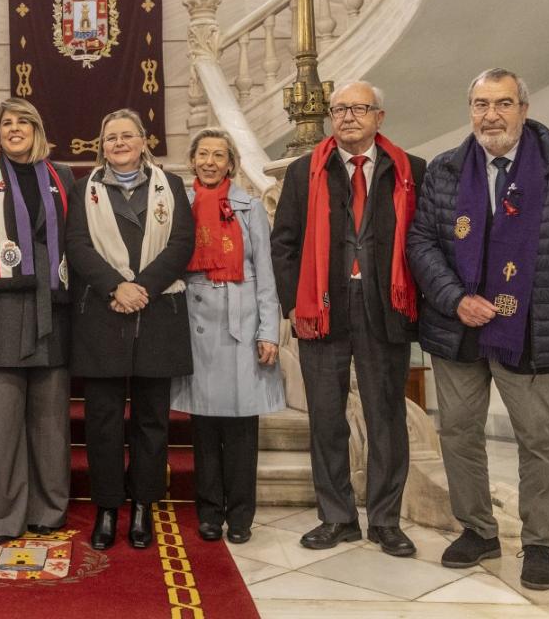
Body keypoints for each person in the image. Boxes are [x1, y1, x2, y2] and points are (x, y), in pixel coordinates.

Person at [407, 68, 549, 590]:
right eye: (479, 104)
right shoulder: (446, 170)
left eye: (502, 103)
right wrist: (455, 300)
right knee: (458, 433)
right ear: (469, 109)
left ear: (523, 107)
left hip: (531, 330)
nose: (490, 115)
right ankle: (478, 530)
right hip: (459, 329)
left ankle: (538, 542)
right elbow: (422, 243)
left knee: (539, 439)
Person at [270, 81, 425, 557]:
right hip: (323, 310)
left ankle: (385, 520)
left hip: (385, 309)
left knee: (386, 417)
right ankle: (337, 517)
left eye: (359, 108)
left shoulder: (410, 171)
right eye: (339, 109)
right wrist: (294, 305)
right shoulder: (303, 172)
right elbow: (285, 244)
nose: (348, 117)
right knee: (326, 419)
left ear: (380, 116)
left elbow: (423, 242)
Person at [66, 108, 193, 550]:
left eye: (127, 136)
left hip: (157, 315)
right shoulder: (85, 190)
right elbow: (78, 245)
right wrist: (116, 287)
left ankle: (142, 507)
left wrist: (142, 288)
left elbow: (181, 243)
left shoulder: (171, 187)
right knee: (102, 422)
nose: (118, 143)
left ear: (144, 141)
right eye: (110, 138)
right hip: (103, 316)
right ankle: (106, 508)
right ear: (101, 146)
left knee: (151, 421)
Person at [0, 98, 75, 542]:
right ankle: (0, 516)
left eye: (23, 121)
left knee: (49, 424)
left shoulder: (61, 177)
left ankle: (47, 509)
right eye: (6, 123)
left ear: (37, 127)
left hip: (51, 311)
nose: (14, 129)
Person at [171, 128, 283, 545]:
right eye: (203, 154)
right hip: (196, 320)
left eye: (219, 155)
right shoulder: (181, 206)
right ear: (192, 160)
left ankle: (240, 515)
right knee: (204, 428)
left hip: (242, 319)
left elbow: (267, 276)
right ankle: (209, 512)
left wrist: (268, 331)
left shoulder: (250, 207)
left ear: (232, 164)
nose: (210, 162)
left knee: (240, 430)